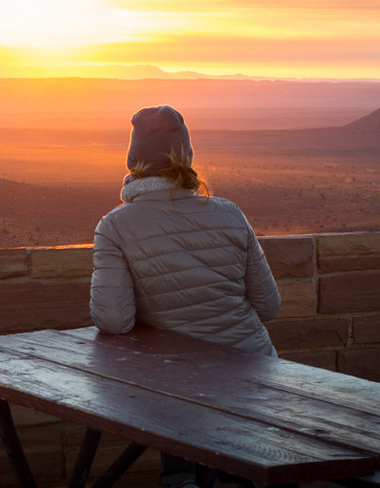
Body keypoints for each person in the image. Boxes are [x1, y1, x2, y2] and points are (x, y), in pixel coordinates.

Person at [89, 105, 281, 488]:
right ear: (187, 157)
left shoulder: (116, 225)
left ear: (134, 161)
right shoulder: (230, 213)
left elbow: (113, 320)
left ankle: (180, 478)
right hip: (252, 374)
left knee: (174, 411)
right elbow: (269, 306)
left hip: (177, 387)